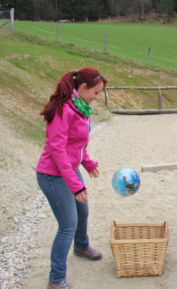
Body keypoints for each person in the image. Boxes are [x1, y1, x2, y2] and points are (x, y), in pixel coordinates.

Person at [36, 67, 107, 289]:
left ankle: (81, 247)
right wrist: (76, 186)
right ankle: (56, 279)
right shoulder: (62, 110)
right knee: (67, 225)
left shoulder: (80, 108)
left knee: (82, 211)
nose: (97, 98)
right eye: (96, 93)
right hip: (52, 174)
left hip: (68, 168)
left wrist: (86, 162)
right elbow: (57, 151)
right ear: (83, 88)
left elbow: (76, 144)